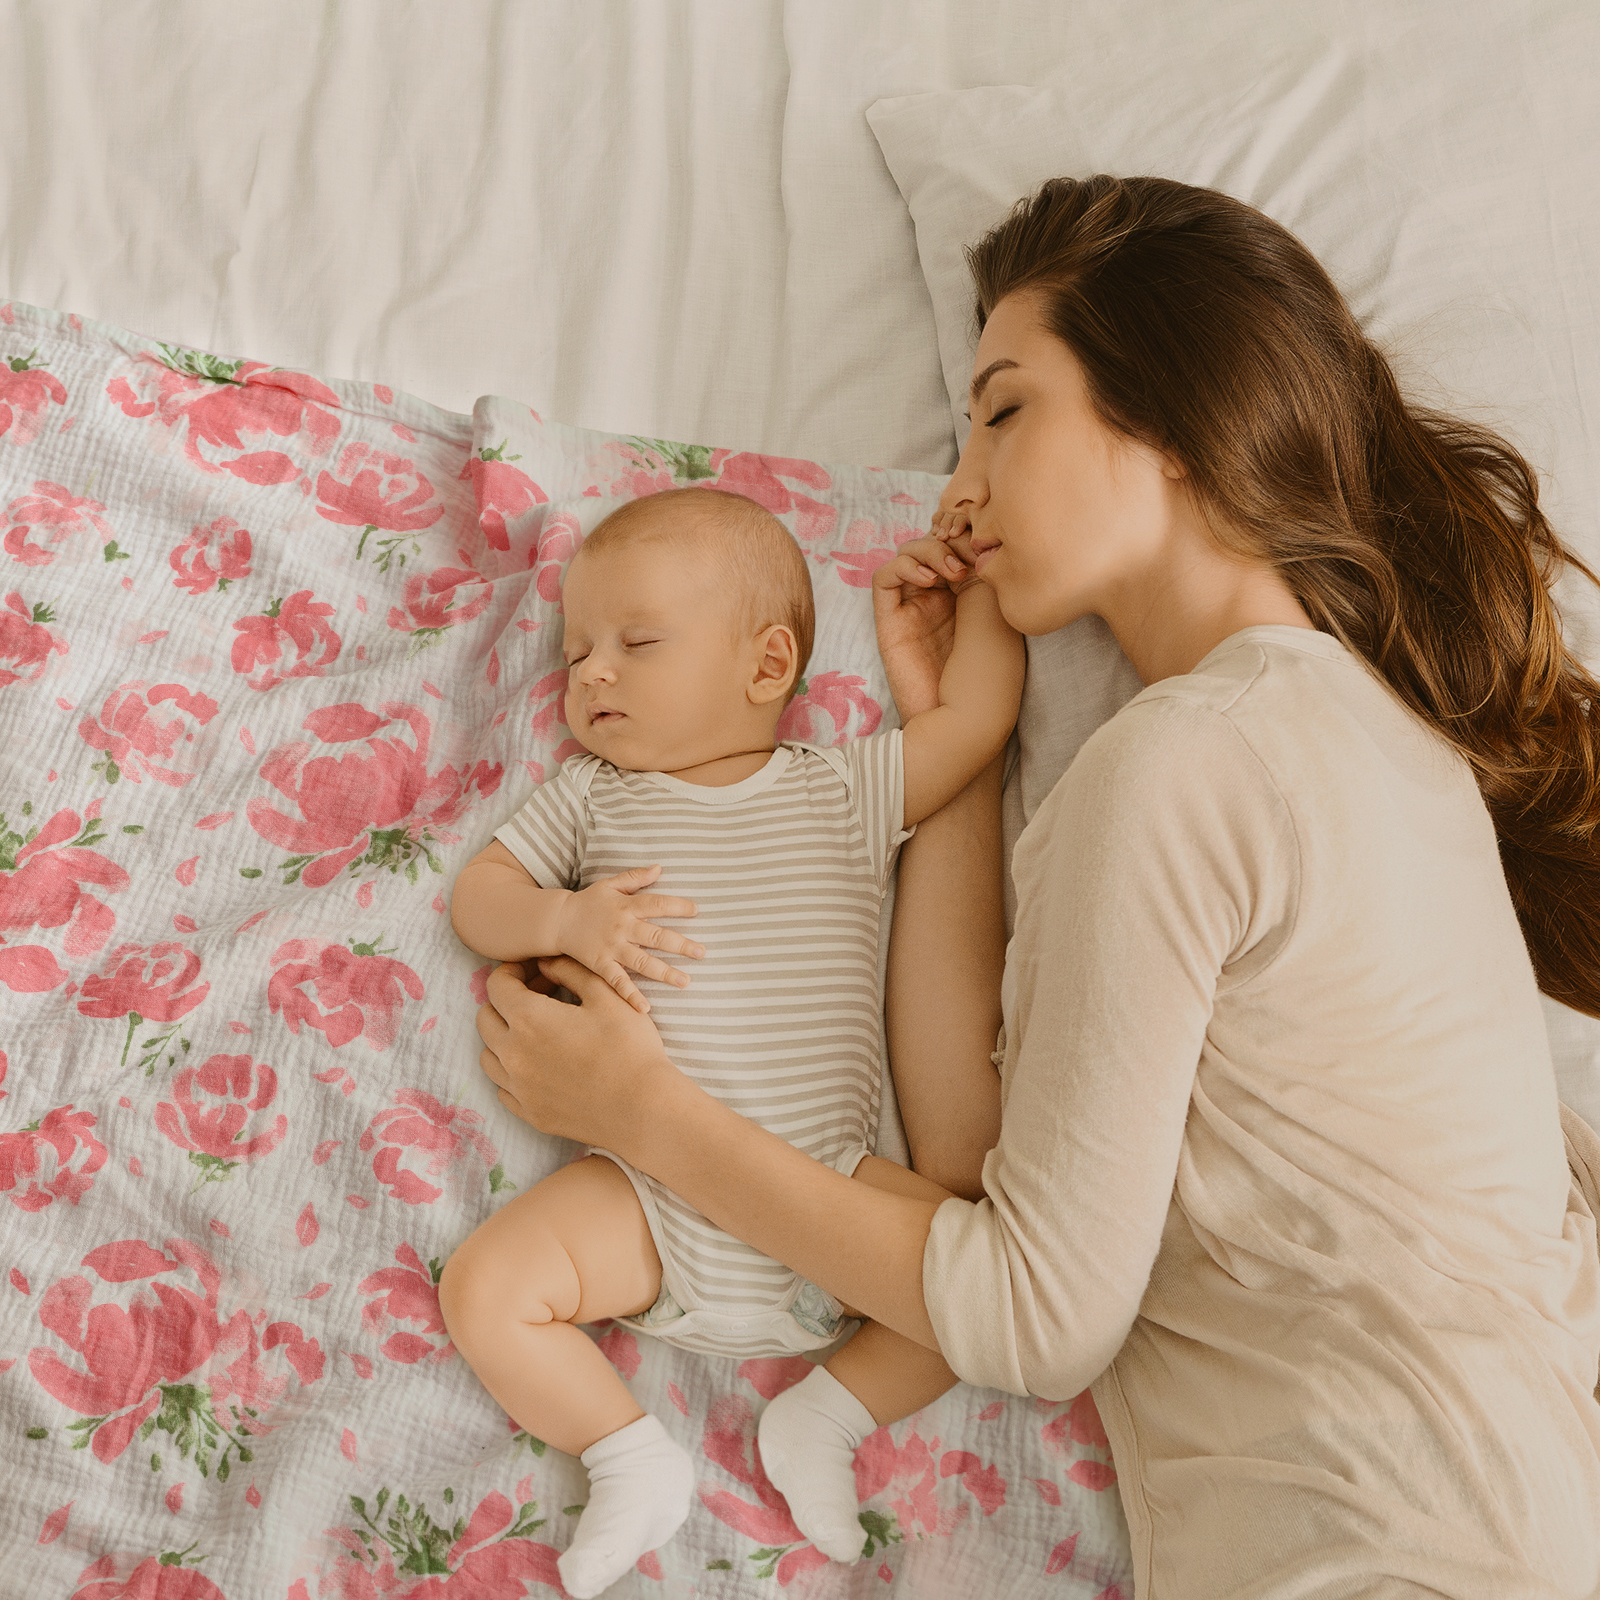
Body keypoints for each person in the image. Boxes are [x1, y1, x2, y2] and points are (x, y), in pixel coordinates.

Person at [470, 175, 1600, 1598]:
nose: (958, 488)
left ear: (1176, 416)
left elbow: (1029, 1318)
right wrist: (960, 755)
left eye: (1004, 410)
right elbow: (978, 1174)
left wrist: (640, 1112)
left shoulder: (1192, 762)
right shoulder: (1327, 745)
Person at [440, 484, 1024, 1598]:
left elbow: (978, 723)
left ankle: (826, 1415)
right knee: (487, 1286)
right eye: (575, 654)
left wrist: (986, 582)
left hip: (830, 1182)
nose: (591, 672)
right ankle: (624, 1453)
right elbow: (481, 895)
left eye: (635, 642)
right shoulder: (593, 799)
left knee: (982, 1284)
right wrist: (564, 917)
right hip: (646, 1199)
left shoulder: (845, 789)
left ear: (765, 668)